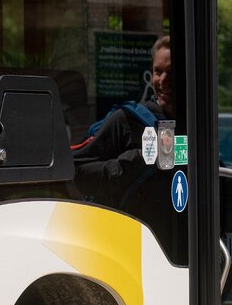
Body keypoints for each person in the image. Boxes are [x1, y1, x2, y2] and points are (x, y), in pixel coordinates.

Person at [72, 35, 173, 204]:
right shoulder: (127, 120)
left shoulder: (196, 125)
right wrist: (138, 160)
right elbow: (78, 174)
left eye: (171, 72)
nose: (162, 81)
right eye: (158, 72)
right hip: (132, 228)